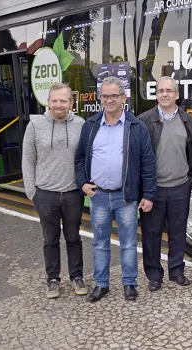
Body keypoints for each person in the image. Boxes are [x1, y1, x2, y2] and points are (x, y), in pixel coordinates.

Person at [75, 77, 157, 302]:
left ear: (123, 97)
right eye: (105, 96)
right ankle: (102, 284)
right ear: (100, 98)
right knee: (100, 242)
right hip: (98, 195)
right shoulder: (90, 125)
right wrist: (82, 183)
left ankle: (129, 283)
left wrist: (148, 194)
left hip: (125, 196)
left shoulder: (136, 127)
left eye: (114, 95)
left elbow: (148, 163)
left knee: (129, 243)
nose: (109, 100)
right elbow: (80, 157)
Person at [22, 82, 87, 299]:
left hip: (72, 193)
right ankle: (52, 279)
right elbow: (28, 160)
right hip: (45, 194)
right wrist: (32, 192)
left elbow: (87, 157)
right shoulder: (35, 125)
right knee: (50, 239)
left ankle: (77, 277)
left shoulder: (81, 124)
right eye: (54, 100)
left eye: (63, 100)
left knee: (73, 238)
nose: (58, 105)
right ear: (48, 102)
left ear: (71, 103)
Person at [138, 76, 192, 291]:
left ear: (177, 95)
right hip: (154, 189)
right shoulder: (144, 120)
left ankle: (177, 271)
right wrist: (143, 190)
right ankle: (154, 275)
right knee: (151, 234)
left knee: (178, 232)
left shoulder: (188, 120)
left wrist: (191, 180)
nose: (164, 94)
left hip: (181, 185)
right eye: (160, 90)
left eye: (169, 91)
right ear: (156, 94)